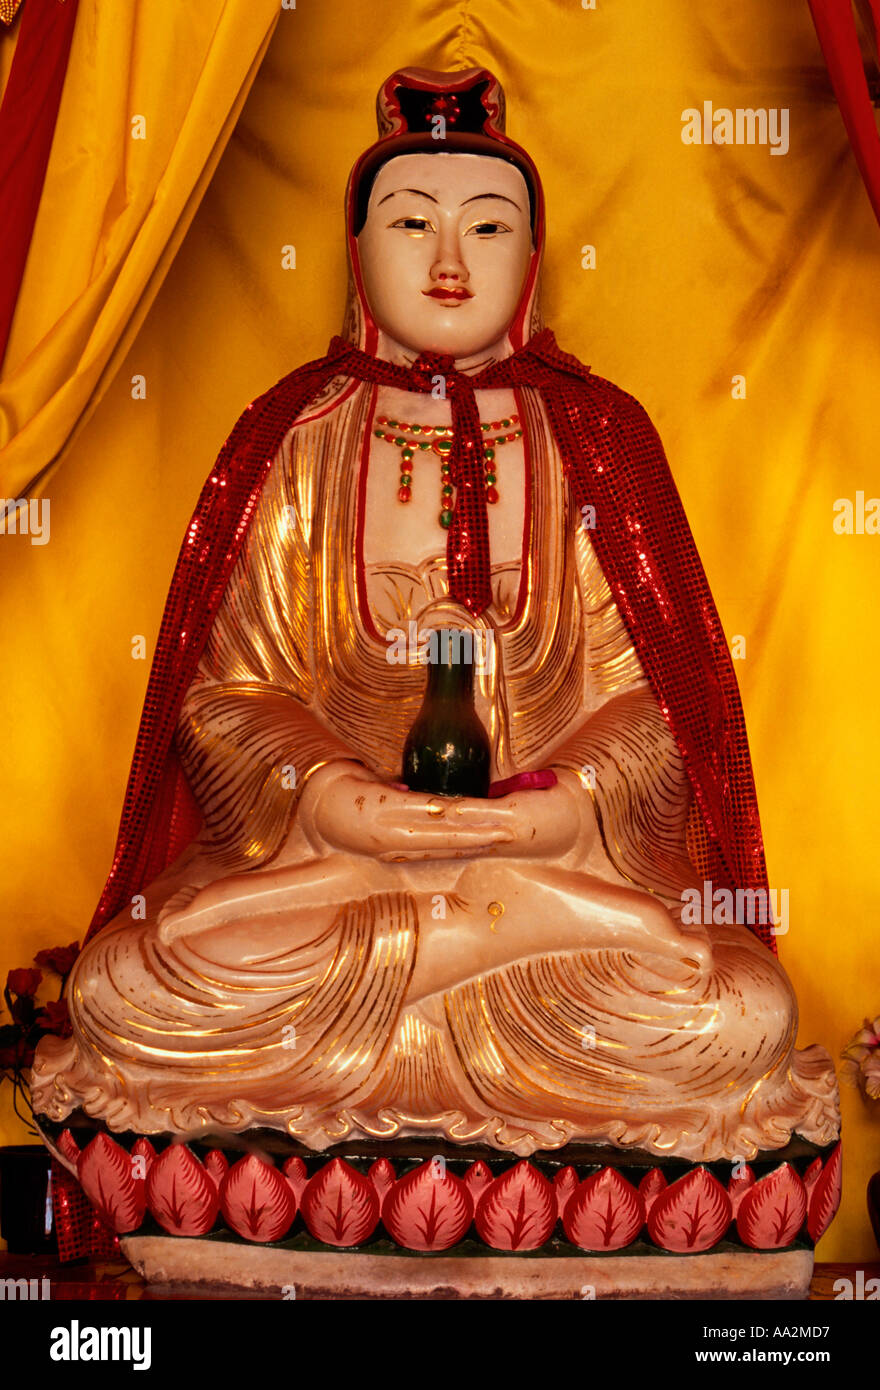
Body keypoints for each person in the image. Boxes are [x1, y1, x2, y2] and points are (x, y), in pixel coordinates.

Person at [32, 67, 838, 1161]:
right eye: (412, 222)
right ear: (358, 248)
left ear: (533, 253)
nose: (449, 261)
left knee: (741, 1014)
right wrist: (333, 796)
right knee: (128, 988)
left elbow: (659, 706)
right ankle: (480, 928)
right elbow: (224, 700)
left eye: (487, 227)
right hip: (339, 859)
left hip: (553, 854)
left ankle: (508, 918)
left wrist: (560, 808)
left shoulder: (595, 438)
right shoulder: (297, 436)